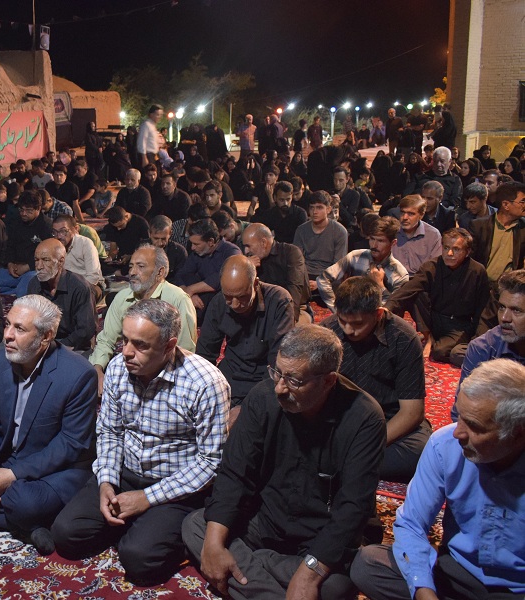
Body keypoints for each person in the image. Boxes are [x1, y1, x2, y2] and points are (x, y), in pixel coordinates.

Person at [182, 324, 385, 600]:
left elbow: (353, 508)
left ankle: (255, 568)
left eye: (294, 380)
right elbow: (234, 473)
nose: (279, 387)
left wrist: (308, 573)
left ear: (328, 381)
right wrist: (215, 543)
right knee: (197, 526)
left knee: (336, 587)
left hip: (318, 536)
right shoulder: (263, 397)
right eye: (277, 372)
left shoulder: (364, 418)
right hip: (265, 520)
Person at [52, 299, 230, 586]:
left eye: (140, 345)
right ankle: (138, 526)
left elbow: (211, 463)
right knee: (66, 535)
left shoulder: (205, 383)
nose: (126, 352)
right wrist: (107, 482)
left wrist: (147, 499)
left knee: (138, 560)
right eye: (124, 340)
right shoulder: (117, 369)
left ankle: (160, 530)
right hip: (126, 474)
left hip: (174, 487)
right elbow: (110, 431)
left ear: (169, 346)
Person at [351, 359, 525, 600]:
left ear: (517, 433)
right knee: (368, 564)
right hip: (457, 574)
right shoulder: (445, 445)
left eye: (474, 426)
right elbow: (411, 524)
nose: (458, 432)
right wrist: (423, 590)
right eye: (460, 416)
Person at [0, 295, 98, 554]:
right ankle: (27, 527)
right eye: (7, 324)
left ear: (46, 336)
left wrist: (11, 475)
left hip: (54, 468)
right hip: (9, 457)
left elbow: (70, 444)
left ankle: (19, 513)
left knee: (25, 501)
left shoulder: (78, 375)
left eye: (19, 329)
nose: (7, 336)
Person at [321, 276, 429, 483]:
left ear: (378, 314)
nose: (348, 330)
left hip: (388, 422)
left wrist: (367, 443)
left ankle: (339, 462)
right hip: (341, 419)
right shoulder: (328, 331)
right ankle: (349, 461)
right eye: (342, 321)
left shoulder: (403, 337)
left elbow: (412, 412)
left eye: (358, 323)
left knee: (421, 452)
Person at [196, 255, 294, 416]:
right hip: (230, 375)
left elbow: (279, 361)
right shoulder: (219, 302)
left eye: (242, 297)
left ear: (255, 284)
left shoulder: (278, 300)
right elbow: (205, 354)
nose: (235, 305)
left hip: (265, 378)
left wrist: (250, 406)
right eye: (228, 297)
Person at [90, 245, 197, 390]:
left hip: (165, 374)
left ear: (160, 272)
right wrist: (97, 370)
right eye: (131, 267)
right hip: (130, 366)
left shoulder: (178, 299)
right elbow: (106, 340)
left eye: (140, 267)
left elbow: (184, 350)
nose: (132, 272)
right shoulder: (122, 297)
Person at [386, 228, 489, 366]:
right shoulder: (431, 266)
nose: (449, 253)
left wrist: (478, 339)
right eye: (446, 248)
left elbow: (483, 308)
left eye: (456, 249)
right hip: (434, 319)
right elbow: (409, 289)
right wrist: (387, 307)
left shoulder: (477, 271)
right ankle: (429, 337)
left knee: (440, 352)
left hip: (459, 325)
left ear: (467, 252)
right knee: (415, 292)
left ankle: (439, 343)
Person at [450, 269, 525, 421]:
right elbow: (461, 413)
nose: (504, 318)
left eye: (516, 310)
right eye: (502, 307)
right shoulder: (482, 349)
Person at [317, 216, 410, 312]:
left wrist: (380, 285)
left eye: (380, 241)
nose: (374, 245)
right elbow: (323, 279)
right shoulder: (355, 257)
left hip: (379, 319)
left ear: (393, 243)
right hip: (350, 315)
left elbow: (393, 308)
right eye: (372, 239)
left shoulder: (400, 274)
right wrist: (336, 309)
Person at [26, 239, 96, 352]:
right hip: (43, 342)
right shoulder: (34, 284)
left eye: (45, 260)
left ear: (60, 261)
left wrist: (57, 347)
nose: (39, 266)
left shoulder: (79, 287)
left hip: (73, 344)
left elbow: (85, 331)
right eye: (36, 260)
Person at [172, 218, 242, 323]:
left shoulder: (231, 252)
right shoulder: (197, 254)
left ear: (211, 242)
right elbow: (182, 274)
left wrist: (192, 289)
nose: (192, 248)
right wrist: (188, 293)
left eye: (196, 244)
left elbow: (221, 278)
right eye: (192, 243)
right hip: (199, 304)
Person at [242, 222, 309, 322]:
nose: (246, 251)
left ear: (263, 243)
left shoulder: (290, 253)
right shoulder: (250, 260)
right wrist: (248, 268)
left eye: (248, 246)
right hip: (263, 311)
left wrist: (289, 320)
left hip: (294, 309)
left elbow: (294, 289)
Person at [0, 190, 52, 297]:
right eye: (21, 209)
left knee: (22, 292)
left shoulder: (46, 225)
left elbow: (48, 255)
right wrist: (10, 263)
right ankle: (12, 291)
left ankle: (15, 291)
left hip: (35, 269)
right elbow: (10, 245)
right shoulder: (16, 221)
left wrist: (27, 267)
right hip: (15, 268)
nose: (24, 213)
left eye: (29, 210)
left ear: (38, 209)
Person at [293, 191, 348, 292]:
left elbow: (339, 266)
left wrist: (320, 282)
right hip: (305, 274)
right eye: (312, 207)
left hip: (329, 275)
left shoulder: (340, 231)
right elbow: (297, 261)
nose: (314, 212)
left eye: (319, 207)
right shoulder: (301, 230)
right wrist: (304, 279)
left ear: (328, 209)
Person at [470, 182, 525, 284]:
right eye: (523, 201)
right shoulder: (479, 226)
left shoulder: (523, 228)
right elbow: (470, 260)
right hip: (482, 284)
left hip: (509, 287)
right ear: (506, 205)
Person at [50, 215, 103, 301]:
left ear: (75, 230)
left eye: (63, 231)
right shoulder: (53, 245)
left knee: (82, 296)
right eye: (55, 232)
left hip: (89, 285)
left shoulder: (85, 243)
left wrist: (74, 290)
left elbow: (93, 276)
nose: (58, 236)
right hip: (64, 286)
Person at [148, 215, 188, 280]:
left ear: (170, 233)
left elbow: (180, 279)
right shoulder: (141, 248)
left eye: (163, 239)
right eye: (156, 238)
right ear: (149, 233)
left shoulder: (179, 252)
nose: (160, 243)